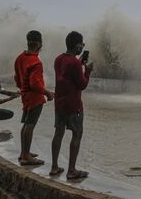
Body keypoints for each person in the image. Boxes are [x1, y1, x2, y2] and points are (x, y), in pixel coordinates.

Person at [50, 31, 93, 178]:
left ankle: (54, 167)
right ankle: (72, 170)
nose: (82, 47)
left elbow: (66, 74)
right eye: (82, 44)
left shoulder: (58, 59)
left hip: (59, 103)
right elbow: (81, 84)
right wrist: (87, 72)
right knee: (77, 134)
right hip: (74, 104)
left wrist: (79, 63)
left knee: (58, 133)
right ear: (77, 45)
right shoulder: (74, 63)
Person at [14, 30, 54, 166]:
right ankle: (26, 156)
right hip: (35, 98)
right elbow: (35, 84)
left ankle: (23, 152)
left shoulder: (20, 58)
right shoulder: (36, 62)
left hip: (25, 96)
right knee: (30, 125)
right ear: (38, 44)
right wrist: (47, 93)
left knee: (26, 125)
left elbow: (17, 79)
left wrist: (23, 89)